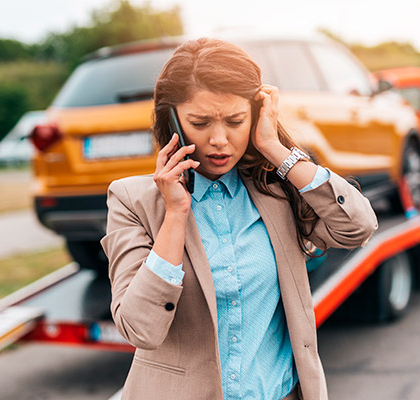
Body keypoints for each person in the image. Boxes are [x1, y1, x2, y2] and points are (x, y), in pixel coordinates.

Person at [100, 37, 378, 400]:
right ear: (172, 120)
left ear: (257, 114)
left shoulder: (276, 190)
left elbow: (357, 227)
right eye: (199, 122)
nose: (219, 140)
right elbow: (140, 329)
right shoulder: (131, 201)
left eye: (235, 120)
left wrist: (276, 150)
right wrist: (175, 215)